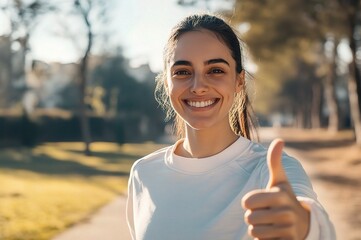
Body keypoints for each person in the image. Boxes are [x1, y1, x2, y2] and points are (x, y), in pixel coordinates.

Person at [126, 13, 335, 240]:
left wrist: (304, 223)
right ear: (167, 82)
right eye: (183, 72)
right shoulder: (143, 173)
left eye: (215, 70)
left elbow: (308, 213)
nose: (198, 87)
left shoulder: (272, 170)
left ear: (239, 81)